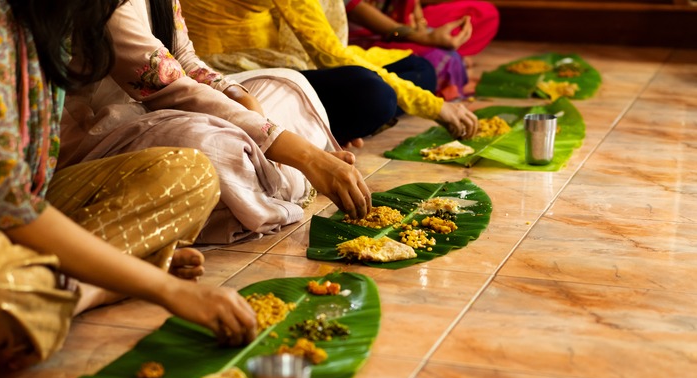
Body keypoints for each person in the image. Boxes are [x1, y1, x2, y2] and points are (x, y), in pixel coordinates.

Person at [0, 0, 257, 370]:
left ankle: (76, 288)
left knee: (192, 173)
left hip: (19, 216)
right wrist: (166, 289)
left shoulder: (49, 16)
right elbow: (1, 202)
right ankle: (106, 280)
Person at [59, 0, 372, 244]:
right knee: (208, 145)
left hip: (162, 109)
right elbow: (167, 87)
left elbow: (185, 59)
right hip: (101, 130)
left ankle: (269, 176)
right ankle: (289, 170)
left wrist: (237, 94)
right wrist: (304, 153)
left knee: (289, 84)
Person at [181, 0, 479, 140]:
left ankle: (334, 121)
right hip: (236, 72)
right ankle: (325, 129)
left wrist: (416, 35)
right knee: (375, 95)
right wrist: (436, 107)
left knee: (419, 68)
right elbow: (328, 54)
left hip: (282, 54)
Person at [345, 0, 500, 99]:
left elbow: (412, 6)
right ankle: (448, 67)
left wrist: (421, 23)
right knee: (434, 62)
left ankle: (446, 58)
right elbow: (354, 8)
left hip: (401, 23)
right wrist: (425, 38)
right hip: (364, 34)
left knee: (485, 13)